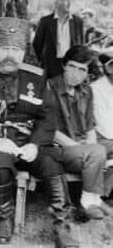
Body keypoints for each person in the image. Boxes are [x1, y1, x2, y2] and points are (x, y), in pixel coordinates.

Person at [0, 16, 77, 246]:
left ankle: (62, 224)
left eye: (15, 49)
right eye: (4, 48)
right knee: (0, 166)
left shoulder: (37, 77)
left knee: (52, 165)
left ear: (23, 53)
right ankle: (3, 219)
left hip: (29, 142)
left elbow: (48, 118)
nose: (9, 55)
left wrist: (35, 144)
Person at [45, 45, 113, 218]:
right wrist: (84, 149)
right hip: (57, 148)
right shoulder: (49, 87)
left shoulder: (86, 91)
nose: (75, 74)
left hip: (81, 146)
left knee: (98, 150)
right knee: (97, 152)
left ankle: (96, 198)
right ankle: (87, 202)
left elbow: (90, 126)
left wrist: (90, 148)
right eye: (72, 66)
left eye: (81, 70)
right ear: (64, 65)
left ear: (87, 73)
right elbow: (49, 129)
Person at [33, 0, 84, 78]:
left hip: (71, 66)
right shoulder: (45, 21)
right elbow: (37, 46)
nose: (69, 3)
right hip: (51, 66)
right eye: (66, 0)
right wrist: (36, 67)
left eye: (70, 0)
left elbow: (81, 45)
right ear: (56, 3)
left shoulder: (78, 21)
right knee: (50, 90)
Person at [91, 48, 113, 196]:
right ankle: (99, 194)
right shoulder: (96, 89)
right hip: (101, 139)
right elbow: (106, 127)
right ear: (109, 68)